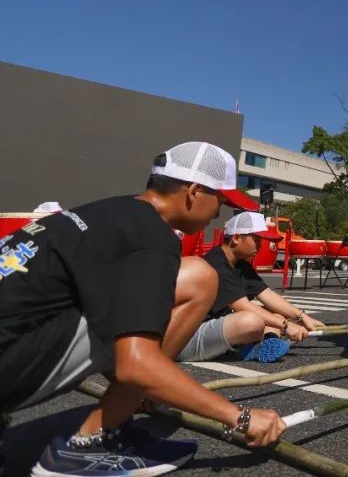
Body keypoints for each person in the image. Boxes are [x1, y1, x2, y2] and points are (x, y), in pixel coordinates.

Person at [0, 142, 286, 475]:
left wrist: (140, 390)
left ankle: (116, 417)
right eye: (220, 202)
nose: (216, 215)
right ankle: (86, 445)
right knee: (198, 282)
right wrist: (239, 417)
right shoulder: (151, 236)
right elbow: (134, 364)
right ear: (194, 192)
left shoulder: (110, 211)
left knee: (188, 282)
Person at [178, 212, 326, 364]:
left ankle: (264, 343)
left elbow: (268, 295)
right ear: (236, 238)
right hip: (187, 338)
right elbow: (242, 306)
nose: (260, 245)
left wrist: (302, 316)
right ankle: (250, 347)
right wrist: (286, 326)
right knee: (251, 320)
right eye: (256, 240)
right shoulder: (215, 262)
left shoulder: (240, 264)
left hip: (213, 329)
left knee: (276, 314)